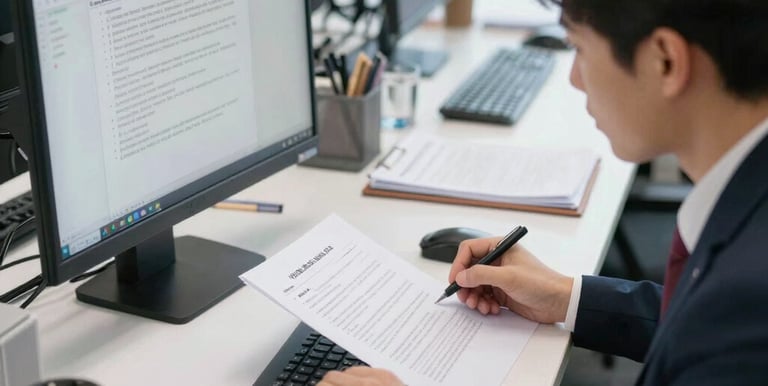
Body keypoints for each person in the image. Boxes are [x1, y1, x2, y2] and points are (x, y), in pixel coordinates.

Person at [319, 0, 768, 384]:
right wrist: (564, 296)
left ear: (665, 61)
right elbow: (693, 331)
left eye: (579, 47)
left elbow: (722, 330)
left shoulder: (745, 303)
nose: (574, 78)